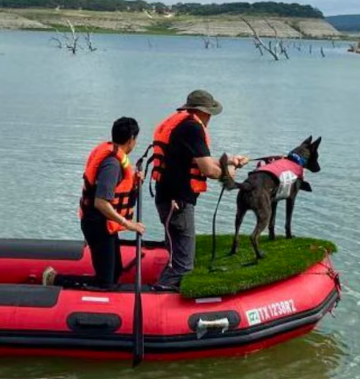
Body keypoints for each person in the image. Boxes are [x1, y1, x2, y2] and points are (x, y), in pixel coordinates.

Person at [151, 89, 249, 290]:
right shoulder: (193, 129)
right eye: (210, 113)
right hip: (178, 202)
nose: (211, 118)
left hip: (166, 199)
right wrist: (230, 171)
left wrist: (229, 160)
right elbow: (209, 170)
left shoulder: (181, 124)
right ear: (204, 112)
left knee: (176, 256)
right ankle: (159, 298)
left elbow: (197, 159)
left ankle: (160, 293)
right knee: (183, 265)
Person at [43, 117, 146, 289]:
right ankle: (54, 280)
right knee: (105, 282)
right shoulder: (112, 164)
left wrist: (135, 183)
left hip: (106, 223)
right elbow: (101, 202)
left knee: (115, 271)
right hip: (98, 224)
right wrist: (128, 224)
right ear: (131, 140)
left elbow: (117, 190)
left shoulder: (114, 158)